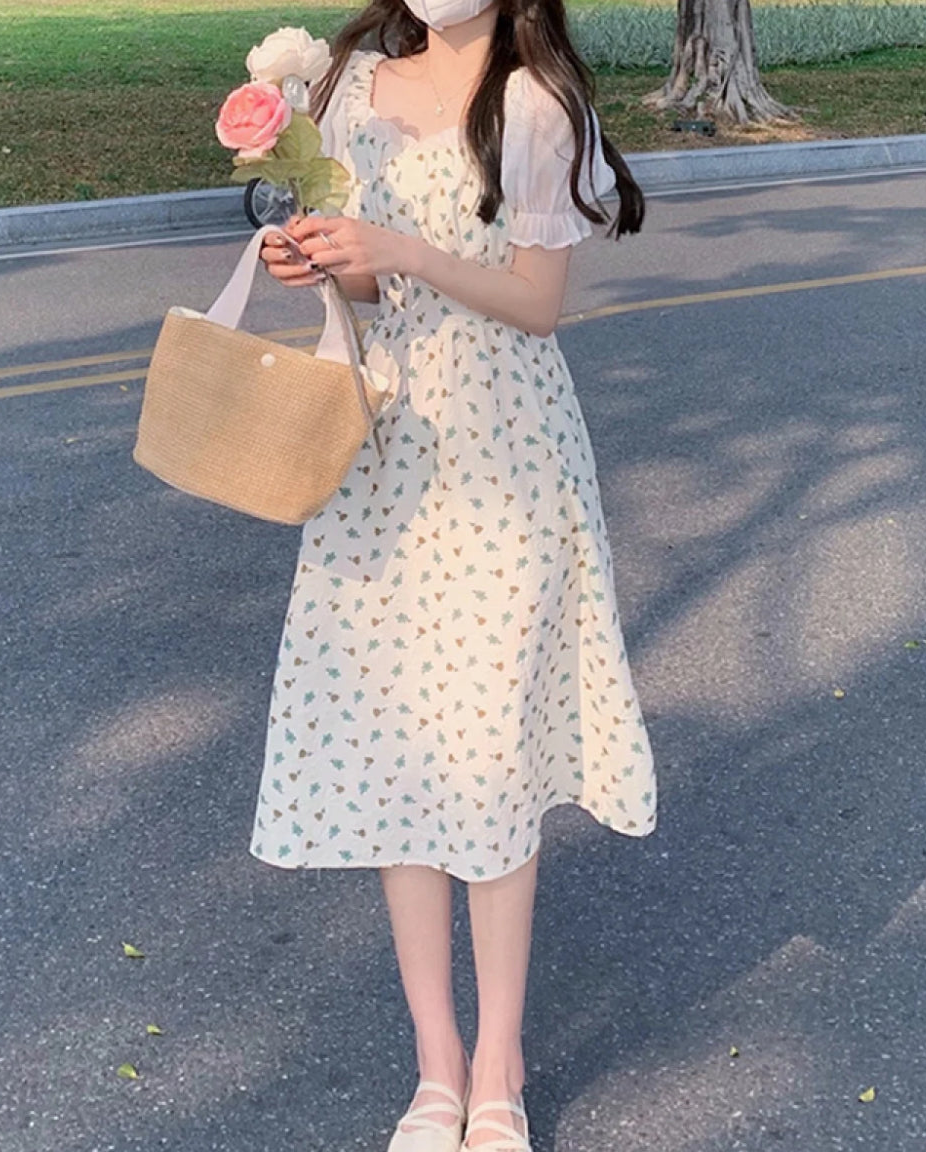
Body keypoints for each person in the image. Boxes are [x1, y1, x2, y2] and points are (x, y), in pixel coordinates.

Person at [253, 0, 657, 1148]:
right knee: (399, 748)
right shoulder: (349, 96)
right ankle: (436, 1066)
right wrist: (321, 261)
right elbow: (372, 290)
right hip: (381, 453)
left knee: (486, 755)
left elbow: (537, 304)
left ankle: (499, 1066)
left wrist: (401, 250)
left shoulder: (535, 104)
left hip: (505, 457)